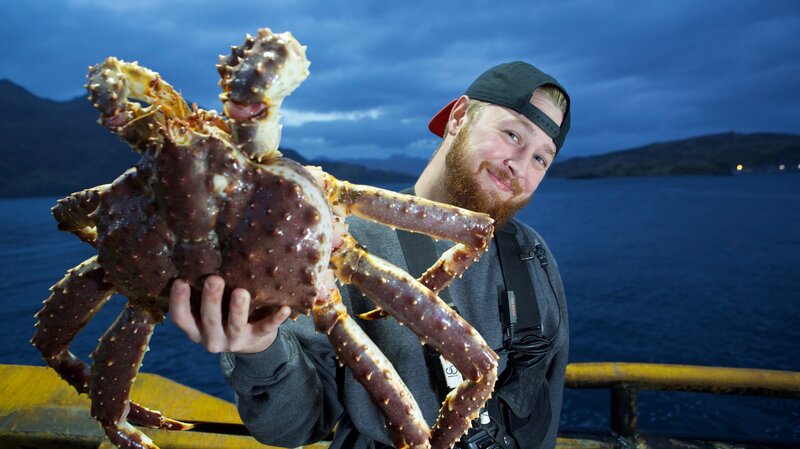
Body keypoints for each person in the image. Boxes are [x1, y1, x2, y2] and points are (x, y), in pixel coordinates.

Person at [170, 61, 571, 449]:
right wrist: (258, 349)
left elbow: (547, 401)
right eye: (512, 135)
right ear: (458, 117)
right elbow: (294, 426)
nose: (520, 167)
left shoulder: (532, 255)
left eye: (541, 158)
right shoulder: (339, 240)